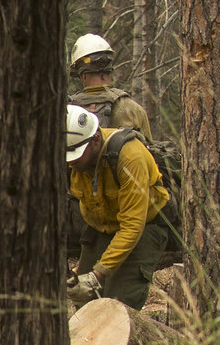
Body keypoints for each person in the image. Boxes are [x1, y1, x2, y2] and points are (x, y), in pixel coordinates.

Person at [65, 103, 175, 310]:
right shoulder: (72, 158)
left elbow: (133, 226)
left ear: (96, 139)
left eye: (76, 155)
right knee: (85, 302)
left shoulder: (130, 156)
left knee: (119, 305)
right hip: (100, 227)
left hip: (143, 227)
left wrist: (98, 274)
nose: (72, 163)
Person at [68, 33, 152, 136]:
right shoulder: (133, 109)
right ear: (109, 70)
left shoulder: (68, 111)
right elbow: (148, 149)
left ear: (83, 75)